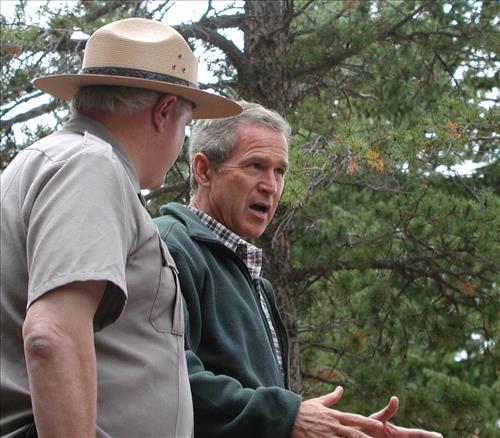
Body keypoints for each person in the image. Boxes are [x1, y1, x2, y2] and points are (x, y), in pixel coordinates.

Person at [0, 17, 241, 438]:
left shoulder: (46, 162)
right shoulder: (91, 165)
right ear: (164, 112)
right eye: (186, 126)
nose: (182, 143)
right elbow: (50, 334)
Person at [154, 102, 443, 438]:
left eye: (280, 171)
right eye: (256, 166)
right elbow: (168, 378)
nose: (271, 186)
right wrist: (288, 418)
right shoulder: (170, 248)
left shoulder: (256, 283)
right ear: (204, 170)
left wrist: (342, 431)